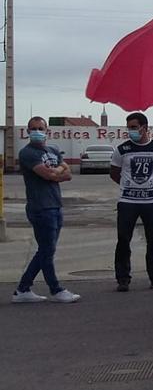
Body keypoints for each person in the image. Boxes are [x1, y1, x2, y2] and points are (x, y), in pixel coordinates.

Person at [12, 116, 81, 304]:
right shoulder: (27, 153)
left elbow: (68, 174)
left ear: (47, 130)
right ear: (28, 132)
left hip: (56, 205)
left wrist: (55, 172)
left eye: (40, 128)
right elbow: (50, 173)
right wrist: (57, 171)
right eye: (32, 128)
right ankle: (56, 289)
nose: (36, 131)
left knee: (45, 251)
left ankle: (22, 289)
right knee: (47, 251)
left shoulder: (53, 150)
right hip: (40, 208)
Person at [108, 112, 153, 292]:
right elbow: (114, 172)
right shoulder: (122, 150)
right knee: (123, 240)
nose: (131, 131)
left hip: (152, 201)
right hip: (128, 201)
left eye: (134, 127)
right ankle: (123, 278)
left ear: (145, 127)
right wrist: (129, 185)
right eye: (129, 128)